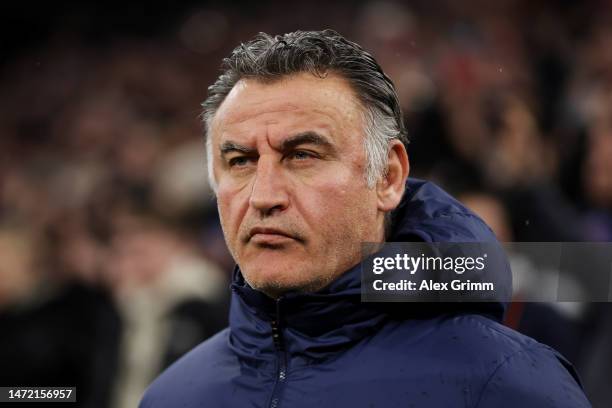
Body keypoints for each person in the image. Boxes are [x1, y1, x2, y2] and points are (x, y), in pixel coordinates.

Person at [140, 30, 591, 407]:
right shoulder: (171, 396)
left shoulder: (507, 384)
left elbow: (588, 279)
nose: (263, 196)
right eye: (240, 161)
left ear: (388, 177)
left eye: (302, 155)